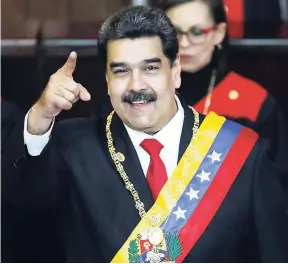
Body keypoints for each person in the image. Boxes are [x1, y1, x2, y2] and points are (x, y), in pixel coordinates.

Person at [2, 6, 288, 263]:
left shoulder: (243, 155)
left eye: (150, 68)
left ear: (175, 71)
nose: (136, 85)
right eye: (121, 71)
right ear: (106, 79)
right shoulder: (73, 148)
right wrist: (40, 115)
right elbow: (18, 203)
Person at [158, 0, 287, 168]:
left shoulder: (252, 103)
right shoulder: (143, 93)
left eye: (196, 32)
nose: (183, 43)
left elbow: (273, 179)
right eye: (174, 32)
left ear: (219, 32)